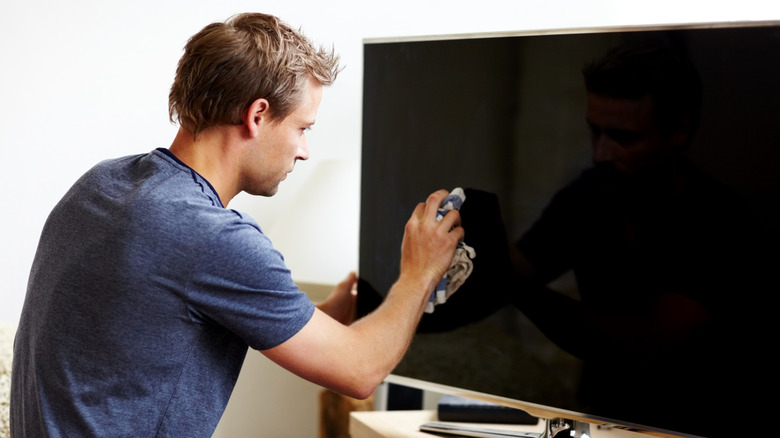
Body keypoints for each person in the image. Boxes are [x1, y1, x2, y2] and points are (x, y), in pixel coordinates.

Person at [10, 12, 463, 437]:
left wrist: (332, 310)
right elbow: (360, 371)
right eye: (303, 128)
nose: (304, 151)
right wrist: (421, 271)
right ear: (258, 115)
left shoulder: (102, 184)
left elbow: (184, 321)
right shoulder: (211, 236)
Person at [510, 41, 764, 435]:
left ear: (679, 130)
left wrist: (509, 284)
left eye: (623, 138)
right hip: (602, 420)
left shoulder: (720, 219)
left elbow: (651, 341)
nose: (600, 153)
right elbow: (520, 263)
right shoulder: (590, 194)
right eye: (595, 132)